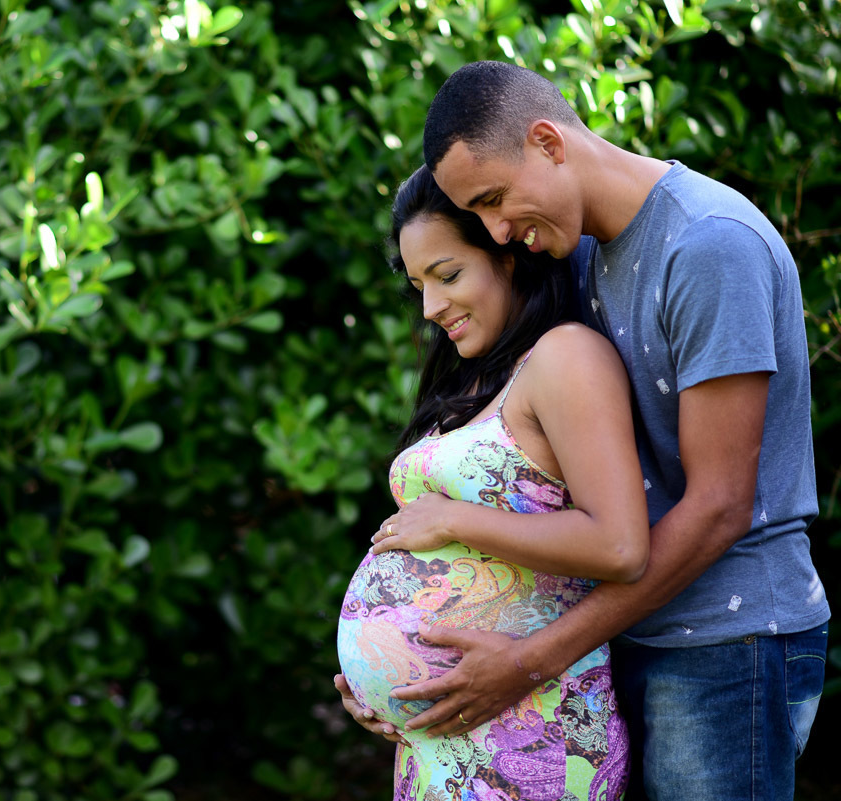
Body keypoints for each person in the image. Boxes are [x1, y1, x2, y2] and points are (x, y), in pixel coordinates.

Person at [343, 60, 830, 801]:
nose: (500, 231)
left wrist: (531, 660)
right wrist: (406, 678)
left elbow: (721, 504)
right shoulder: (584, 252)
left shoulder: (708, 246)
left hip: (726, 643)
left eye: (497, 199)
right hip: (628, 630)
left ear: (548, 140)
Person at [334, 164, 650, 800]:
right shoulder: (469, 382)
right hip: (445, 745)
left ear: (507, 256)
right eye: (419, 284)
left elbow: (620, 545)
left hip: (533, 733)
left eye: (447, 275)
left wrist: (454, 519)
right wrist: (373, 676)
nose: (430, 306)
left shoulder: (565, 358)